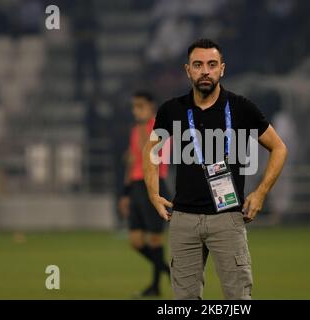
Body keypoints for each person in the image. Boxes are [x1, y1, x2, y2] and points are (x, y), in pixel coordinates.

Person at [143, 39, 288, 300]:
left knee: (237, 299)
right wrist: (153, 194)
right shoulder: (172, 110)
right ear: (188, 70)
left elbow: (279, 148)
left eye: (212, 64)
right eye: (198, 65)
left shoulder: (241, 107)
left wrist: (261, 192)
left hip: (227, 218)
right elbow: (151, 150)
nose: (205, 71)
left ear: (222, 69)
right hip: (183, 218)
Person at [119, 91, 170, 297]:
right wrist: (125, 192)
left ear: (151, 107)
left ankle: (155, 286)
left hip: (155, 184)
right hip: (137, 187)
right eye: (134, 106)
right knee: (136, 241)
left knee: (155, 239)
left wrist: (142, 128)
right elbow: (132, 161)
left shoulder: (160, 127)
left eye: (140, 106)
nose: (135, 110)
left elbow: (150, 155)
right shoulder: (136, 129)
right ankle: (168, 270)